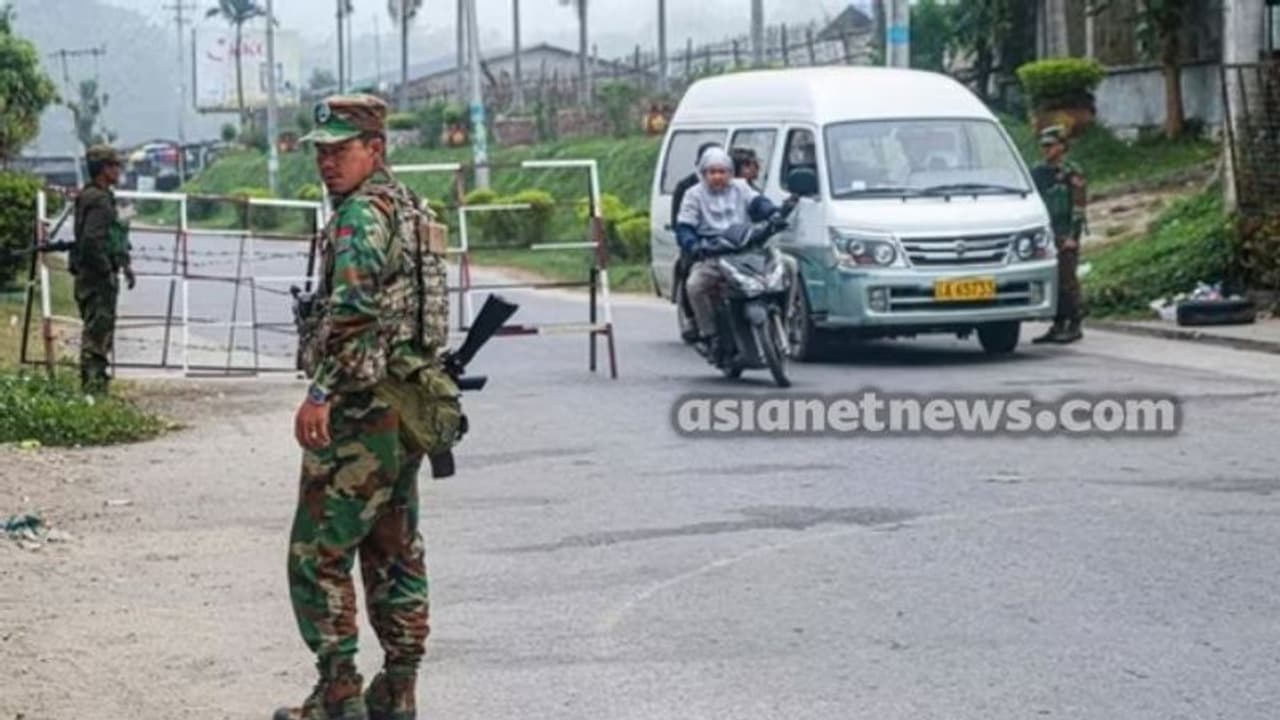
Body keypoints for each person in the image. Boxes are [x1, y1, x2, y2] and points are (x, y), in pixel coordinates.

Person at [278, 94, 448, 720]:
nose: (327, 162)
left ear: (375, 149)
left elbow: (353, 313)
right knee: (395, 550)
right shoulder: (407, 207)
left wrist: (320, 391)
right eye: (321, 152)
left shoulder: (358, 218)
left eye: (340, 150)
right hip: (408, 405)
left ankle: (338, 691)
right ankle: (398, 688)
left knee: (317, 553)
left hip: (361, 410)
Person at [676, 147, 778, 353]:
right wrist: (693, 245)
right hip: (713, 253)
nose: (717, 177)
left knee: (786, 268)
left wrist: (773, 213)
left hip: (745, 251)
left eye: (722, 172)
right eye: (712, 172)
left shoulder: (741, 187)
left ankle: (782, 319)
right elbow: (685, 227)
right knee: (694, 286)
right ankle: (710, 333)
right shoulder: (693, 195)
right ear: (703, 174)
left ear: (730, 173)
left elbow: (758, 203)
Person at [70, 144, 135, 395]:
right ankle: (93, 389)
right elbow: (92, 241)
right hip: (96, 278)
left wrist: (123, 264)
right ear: (103, 169)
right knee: (97, 333)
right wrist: (107, 270)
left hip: (94, 275)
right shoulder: (98, 200)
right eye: (115, 165)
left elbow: (112, 237)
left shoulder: (98, 195)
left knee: (100, 330)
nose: (119, 170)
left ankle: (96, 386)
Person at [1030, 125, 1087, 345]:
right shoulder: (1038, 172)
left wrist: (1073, 235)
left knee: (1067, 279)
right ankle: (1057, 323)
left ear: (1062, 147)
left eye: (1051, 145)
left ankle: (1074, 323)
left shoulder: (1071, 172)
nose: (1047, 150)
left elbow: (1079, 206)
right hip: (1046, 230)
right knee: (1052, 279)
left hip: (1064, 231)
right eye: (1044, 146)